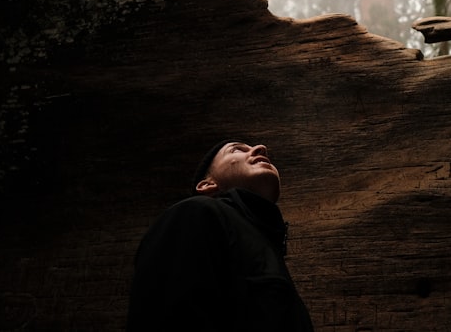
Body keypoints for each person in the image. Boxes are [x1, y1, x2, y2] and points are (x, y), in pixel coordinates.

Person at [126, 139, 315, 331]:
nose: (261, 148)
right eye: (236, 150)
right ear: (207, 184)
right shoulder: (195, 212)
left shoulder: (265, 243)